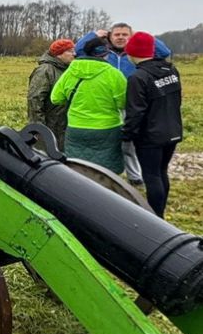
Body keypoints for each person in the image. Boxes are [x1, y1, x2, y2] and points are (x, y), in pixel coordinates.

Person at [75, 23, 173, 186]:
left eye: (125, 35)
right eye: (117, 34)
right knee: (112, 140)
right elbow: (78, 50)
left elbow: (164, 52)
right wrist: (93, 35)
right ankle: (110, 173)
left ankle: (135, 175)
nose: (120, 37)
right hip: (109, 104)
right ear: (109, 37)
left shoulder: (136, 54)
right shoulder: (105, 53)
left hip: (134, 103)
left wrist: (139, 34)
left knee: (131, 142)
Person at [122, 32, 183, 218]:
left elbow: (136, 112)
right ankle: (160, 212)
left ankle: (155, 217)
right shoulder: (171, 70)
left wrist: (126, 134)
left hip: (150, 136)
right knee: (162, 172)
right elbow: (177, 100)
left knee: (151, 176)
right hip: (172, 130)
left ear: (132, 53)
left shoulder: (138, 78)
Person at [50, 37, 127, 173]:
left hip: (76, 128)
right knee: (107, 172)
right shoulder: (114, 74)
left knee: (77, 170)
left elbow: (55, 98)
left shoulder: (71, 71)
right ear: (106, 53)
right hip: (107, 129)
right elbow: (123, 103)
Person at [27, 38, 75, 150]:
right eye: (70, 51)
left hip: (64, 127)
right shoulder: (45, 70)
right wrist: (39, 128)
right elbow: (35, 99)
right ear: (59, 54)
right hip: (50, 127)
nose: (74, 54)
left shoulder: (68, 70)